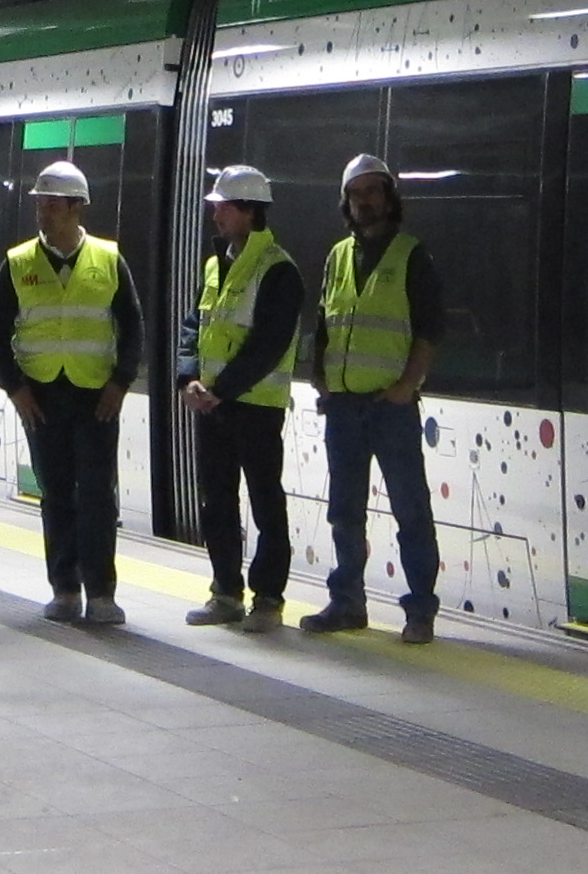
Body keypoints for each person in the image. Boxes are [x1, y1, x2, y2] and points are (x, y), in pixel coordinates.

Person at [0, 159, 142, 626]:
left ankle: (103, 592)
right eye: (40, 204)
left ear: (76, 208)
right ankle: (64, 588)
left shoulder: (109, 261)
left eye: (51, 205)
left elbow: (132, 327)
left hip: (97, 397)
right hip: (42, 397)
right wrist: (15, 389)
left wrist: (120, 383)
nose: (43, 213)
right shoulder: (18, 264)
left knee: (97, 494)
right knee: (56, 493)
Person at [301, 153, 445, 642]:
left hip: (391, 407)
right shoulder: (337, 256)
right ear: (346, 201)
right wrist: (320, 381)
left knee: (410, 508)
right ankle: (347, 603)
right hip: (343, 408)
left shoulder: (411, 255)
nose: (364, 201)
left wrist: (409, 385)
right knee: (344, 509)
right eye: (356, 193)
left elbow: (429, 330)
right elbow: (322, 325)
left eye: (373, 191)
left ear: (388, 198)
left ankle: (420, 610)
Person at [182, 163, 300, 633]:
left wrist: (219, 390)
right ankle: (225, 592)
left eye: (223, 207)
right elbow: (194, 328)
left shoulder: (278, 271)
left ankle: (269, 598)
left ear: (250, 211)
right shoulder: (216, 266)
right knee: (218, 501)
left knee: (265, 499)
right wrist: (187, 379)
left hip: (255, 407)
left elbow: (268, 345)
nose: (216, 216)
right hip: (213, 405)